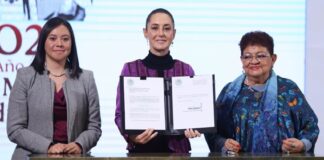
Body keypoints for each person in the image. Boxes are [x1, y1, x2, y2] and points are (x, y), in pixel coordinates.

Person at [205, 31, 319, 153]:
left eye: (261, 56)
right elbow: (212, 131)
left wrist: (302, 144)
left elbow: (310, 126)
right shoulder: (229, 93)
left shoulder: (288, 89)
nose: (254, 61)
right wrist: (224, 144)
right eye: (247, 56)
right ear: (241, 60)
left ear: (273, 58)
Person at [7, 17, 101, 159]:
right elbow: (15, 128)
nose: (59, 44)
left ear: (72, 44)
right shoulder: (25, 76)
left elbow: (94, 127)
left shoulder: (86, 79)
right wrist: (48, 146)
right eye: (52, 38)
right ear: (43, 43)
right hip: (30, 156)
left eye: (65, 39)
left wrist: (80, 145)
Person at [115, 8, 201, 153]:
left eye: (166, 29)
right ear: (145, 32)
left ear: (174, 33)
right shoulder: (130, 69)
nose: (161, 33)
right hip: (141, 152)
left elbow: (195, 113)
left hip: (179, 153)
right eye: (154, 28)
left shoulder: (186, 70)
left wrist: (196, 126)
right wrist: (132, 136)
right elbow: (120, 114)